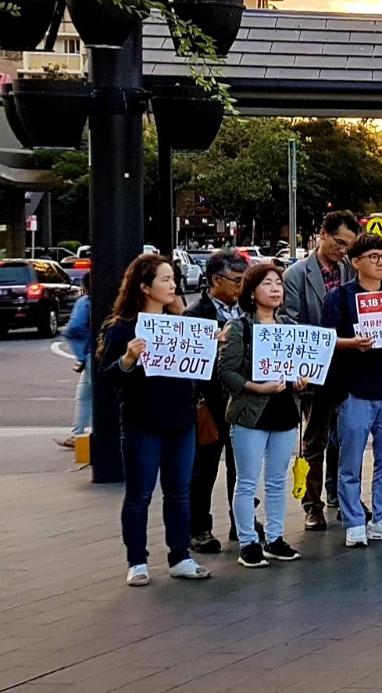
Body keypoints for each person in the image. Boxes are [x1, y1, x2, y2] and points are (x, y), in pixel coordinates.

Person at [100, 253, 210, 585]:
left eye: (173, 279)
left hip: (181, 419)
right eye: (165, 279)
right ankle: (137, 561)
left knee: (179, 491)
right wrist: (128, 359)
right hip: (142, 422)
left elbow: (199, 373)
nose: (173, 285)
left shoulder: (182, 324)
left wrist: (210, 347)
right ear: (144, 287)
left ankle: (180, 555)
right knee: (139, 494)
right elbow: (107, 376)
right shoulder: (123, 328)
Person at [317, 234, 382, 549]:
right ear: (356, 262)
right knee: (350, 461)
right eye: (374, 257)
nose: (381, 263)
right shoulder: (340, 297)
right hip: (354, 389)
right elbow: (325, 339)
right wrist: (351, 343)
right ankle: (353, 521)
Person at [214, 262, 304, 568]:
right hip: (250, 413)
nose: (275, 289)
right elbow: (226, 372)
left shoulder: (289, 327)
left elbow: (300, 367)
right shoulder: (239, 327)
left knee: (277, 480)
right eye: (267, 283)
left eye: (278, 283)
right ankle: (248, 542)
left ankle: (275, 538)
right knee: (247, 481)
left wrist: (301, 380)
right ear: (251, 292)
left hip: (284, 410)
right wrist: (257, 387)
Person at [283, 210, 358, 533]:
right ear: (323, 235)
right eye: (338, 242)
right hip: (314, 369)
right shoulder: (297, 274)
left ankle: (341, 497)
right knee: (315, 440)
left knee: (346, 437)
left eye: (348, 245)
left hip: (346, 367)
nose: (342, 250)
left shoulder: (349, 269)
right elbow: (289, 321)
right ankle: (312, 505)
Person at [182, 248, 247, 555]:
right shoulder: (195, 314)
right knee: (204, 467)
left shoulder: (248, 310)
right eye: (236, 280)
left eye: (244, 280)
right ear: (216, 280)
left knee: (243, 465)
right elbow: (188, 364)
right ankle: (198, 528)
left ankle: (242, 521)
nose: (241, 286)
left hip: (244, 399)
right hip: (210, 401)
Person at [58, 272, 92, 449]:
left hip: (88, 354)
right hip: (96, 352)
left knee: (85, 396)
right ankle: (79, 434)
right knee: (87, 394)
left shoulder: (85, 302)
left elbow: (74, 327)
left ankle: (79, 434)